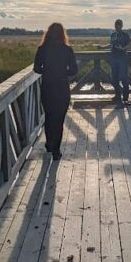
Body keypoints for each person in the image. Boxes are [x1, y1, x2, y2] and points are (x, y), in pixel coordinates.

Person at [34, 22, 78, 159]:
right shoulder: (67, 49)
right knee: (59, 120)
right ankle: (56, 150)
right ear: (62, 34)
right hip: (62, 88)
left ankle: (49, 143)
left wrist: (46, 70)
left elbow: (36, 68)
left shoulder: (42, 49)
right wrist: (63, 72)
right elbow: (74, 70)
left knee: (49, 116)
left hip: (47, 87)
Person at [109, 18, 131, 104]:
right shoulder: (112, 35)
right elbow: (111, 45)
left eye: (119, 24)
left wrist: (123, 48)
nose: (117, 26)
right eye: (116, 24)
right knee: (114, 78)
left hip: (122, 58)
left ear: (122, 25)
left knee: (124, 78)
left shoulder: (125, 35)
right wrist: (102, 47)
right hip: (114, 58)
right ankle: (118, 96)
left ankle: (125, 98)